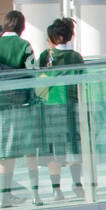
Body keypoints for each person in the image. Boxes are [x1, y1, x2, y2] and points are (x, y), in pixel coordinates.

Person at [0, 11, 42, 206]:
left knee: (3, 151)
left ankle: (4, 195)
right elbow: (31, 72)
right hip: (22, 104)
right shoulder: (24, 46)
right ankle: (36, 194)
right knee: (28, 149)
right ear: (22, 27)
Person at [36, 17, 84, 200]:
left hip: (51, 106)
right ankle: (77, 184)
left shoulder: (46, 56)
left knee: (54, 150)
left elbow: (39, 81)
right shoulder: (76, 57)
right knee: (74, 147)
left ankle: (56, 189)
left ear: (55, 37)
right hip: (72, 105)